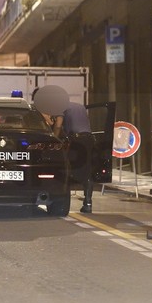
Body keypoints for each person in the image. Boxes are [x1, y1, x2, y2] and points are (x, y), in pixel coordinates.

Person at [34, 85, 94, 213]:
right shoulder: (80, 106)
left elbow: (57, 126)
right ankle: (88, 203)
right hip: (89, 139)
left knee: (66, 167)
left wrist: (53, 140)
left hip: (76, 140)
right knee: (87, 170)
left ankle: (62, 194)